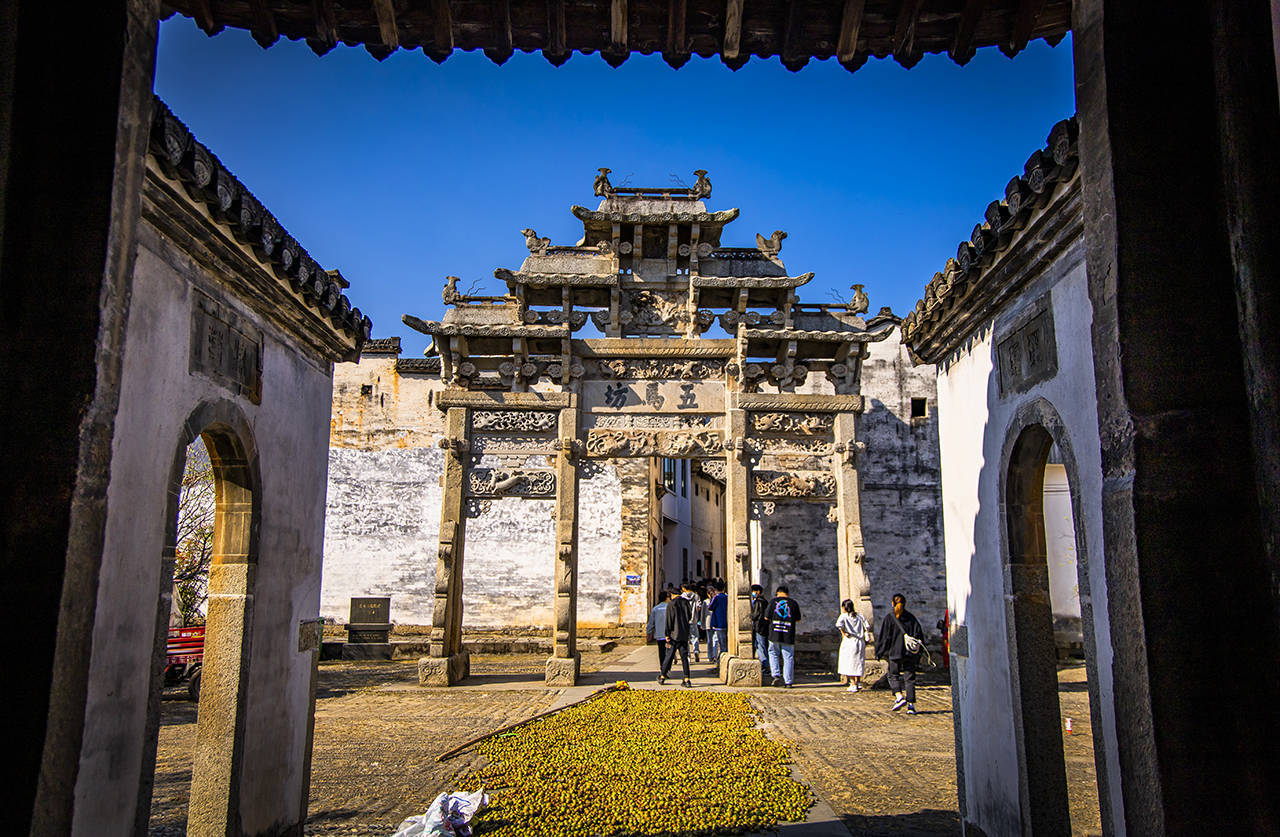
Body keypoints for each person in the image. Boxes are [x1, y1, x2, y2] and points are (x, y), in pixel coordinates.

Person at [875, 592, 925, 714]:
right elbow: (918, 634)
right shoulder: (911, 618)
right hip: (909, 653)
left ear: (892, 603)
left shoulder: (890, 618)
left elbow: (885, 637)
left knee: (892, 675)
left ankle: (899, 696)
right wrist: (919, 653)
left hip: (895, 652)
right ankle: (911, 706)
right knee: (910, 678)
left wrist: (880, 652)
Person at [767, 586, 802, 687]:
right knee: (788, 657)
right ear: (787, 593)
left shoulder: (773, 602)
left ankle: (776, 675)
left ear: (778, 593)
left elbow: (766, 617)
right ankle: (788, 682)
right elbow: (798, 619)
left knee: (773, 653)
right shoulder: (793, 603)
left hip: (774, 633)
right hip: (788, 633)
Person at [660, 586, 694, 687]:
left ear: (672, 595)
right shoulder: (686, 602)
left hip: (674, 634)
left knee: (669, 656)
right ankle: (687, 679)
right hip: (684, 633)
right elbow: (690, 616)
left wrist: (667, 634)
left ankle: (662, 676)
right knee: (684, 657)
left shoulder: (671, 604)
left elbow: (669, 620)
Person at [835, 599, 870, 692]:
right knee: (858, 662)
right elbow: (867, 626)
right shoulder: (859, 616)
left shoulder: (844, 616)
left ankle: (853, 683)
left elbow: (839, 625)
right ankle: (858, 682)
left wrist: (844, 633)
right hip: (860, 641)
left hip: (850, 640)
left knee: (849, 662)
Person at [646, 591, 670, 669]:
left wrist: (649, 632)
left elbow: (651, 622)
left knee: (661, 651)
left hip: (659, 634)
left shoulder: (655, 609)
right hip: (669, 634)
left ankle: (662, 666)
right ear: (667, 598)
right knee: (669, 651)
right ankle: (667, 667)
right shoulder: (670, 607)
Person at [749, 584, 770, 669]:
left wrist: (750, 616)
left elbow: (755, 615)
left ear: (758, 592)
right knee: (761, 646)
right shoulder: (764, 601)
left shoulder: (759, 602)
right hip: (762, 627)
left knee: (761, 646)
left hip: (759, 627)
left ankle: (765, 665)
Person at [707, 581, 728, 664]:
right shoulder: (727, 597)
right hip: (726, 622)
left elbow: (710, 607)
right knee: (725, 642)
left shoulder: (716, 598)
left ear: (716, 589)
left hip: (718, 623)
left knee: (721, 643)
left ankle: (720, 660)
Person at [684, 583, 704, 662]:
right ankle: (696, 651)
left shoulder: (682, 597)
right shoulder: (696, 596)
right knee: (695, 637)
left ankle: (688, 656)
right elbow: (699, 607)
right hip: (694, 619)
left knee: (686, 638)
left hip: (685, 620)